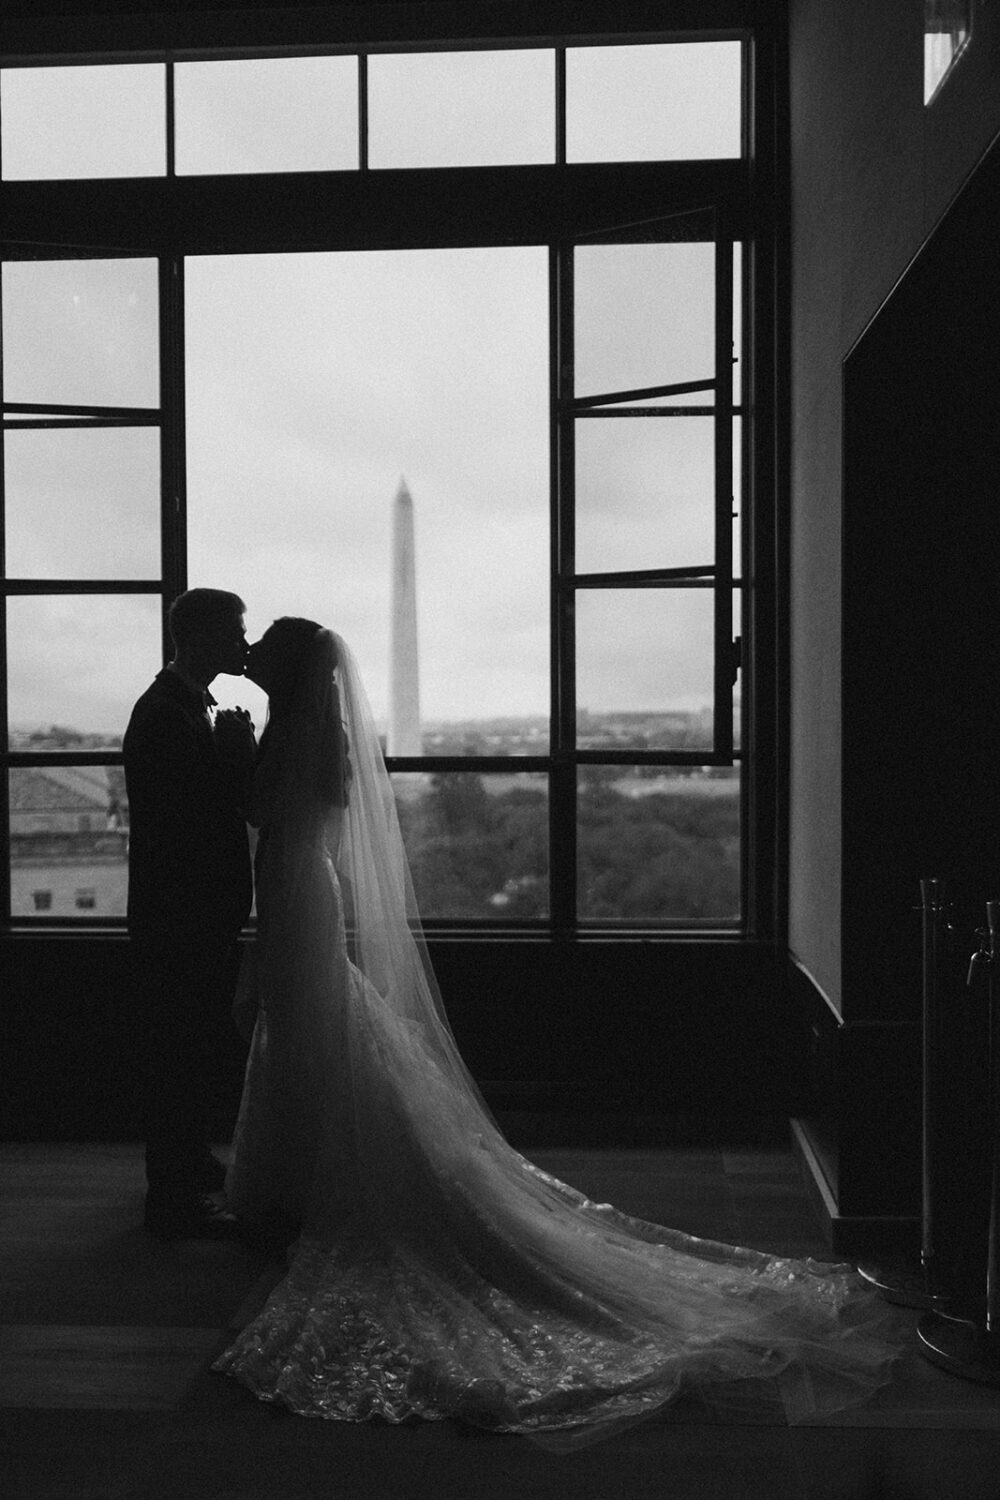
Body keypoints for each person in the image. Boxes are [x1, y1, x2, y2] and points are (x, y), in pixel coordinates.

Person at [214, 618, 901, 1447]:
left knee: (305, 1029)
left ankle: (299, 1185)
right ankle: (308, 1178)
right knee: (318, 1030)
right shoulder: (319, 734)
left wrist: (232, 751)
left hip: (293, 897)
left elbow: (260, 813)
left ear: (285, 673)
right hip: (305, 894)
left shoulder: (284, 735)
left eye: (262, 651)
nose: (248, 656)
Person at [124, 587, 256, 1239]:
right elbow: (188, 822)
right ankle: (172, 1193)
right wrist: (234, 761)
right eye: (235, 630)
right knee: (177, 1050)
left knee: (190, 1046)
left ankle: (188, 1166)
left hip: (191, 914)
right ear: (200, 636)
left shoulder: (178, 707)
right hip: (180, 919)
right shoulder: (165, 714)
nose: (244, 641)